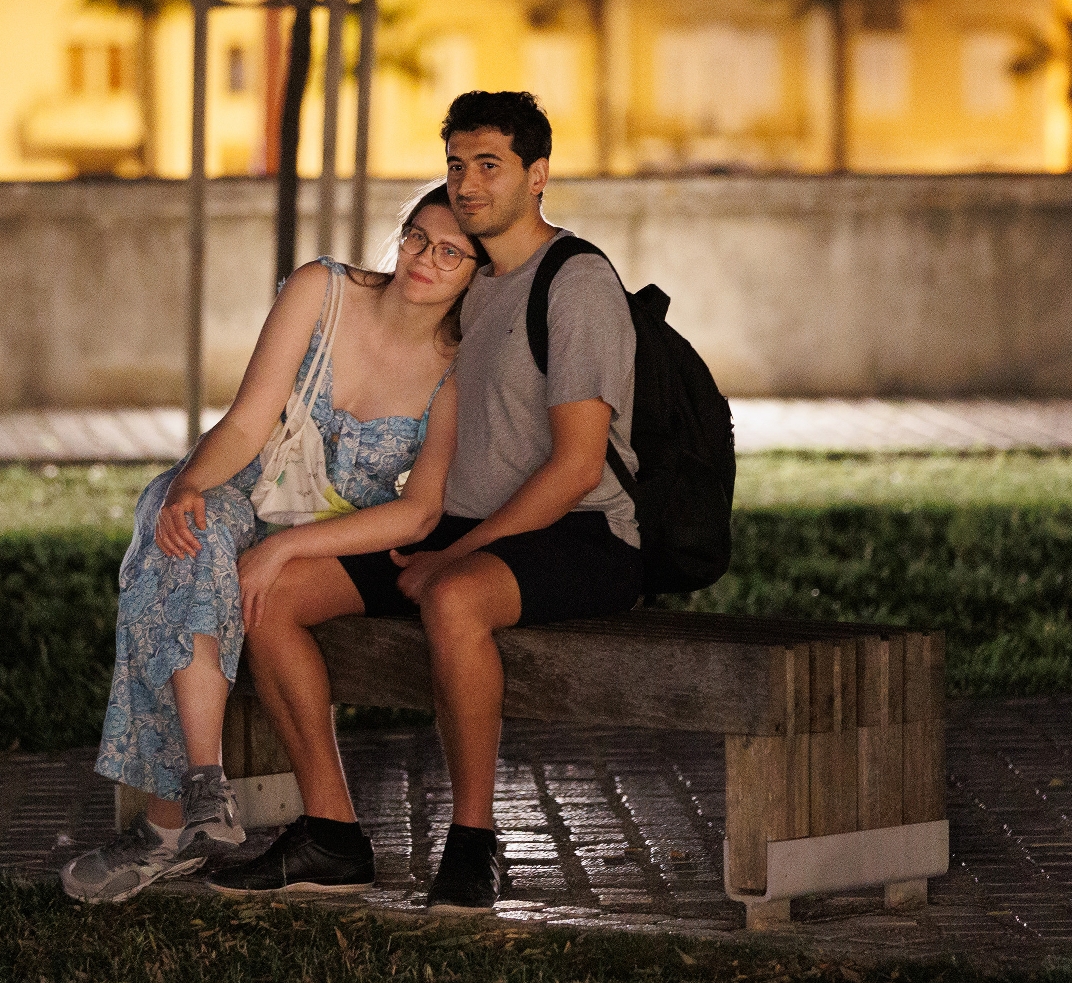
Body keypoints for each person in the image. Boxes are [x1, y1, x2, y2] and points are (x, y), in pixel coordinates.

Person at [214, 91, 642, 913]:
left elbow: (576, 467)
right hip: (462, 526)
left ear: (538, 175)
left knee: (452, 598)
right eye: (456, 165)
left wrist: (454, 555)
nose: (468, 183)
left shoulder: (577, 283)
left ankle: (473, 840)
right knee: (270, 592)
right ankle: (332, 833)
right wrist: (291, 541)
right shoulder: (468, 279)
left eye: (490, 165)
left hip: (584, 532)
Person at [59, 183, 480, 903]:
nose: (424, 259)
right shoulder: (322, 290)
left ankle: (166, 831)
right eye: (417, 237)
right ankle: (205, 784)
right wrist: (190, 484)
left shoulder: (458, 370)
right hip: (247, 485)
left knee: (191, 567)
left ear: (476, 272)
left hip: (333, 534)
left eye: (450, 253)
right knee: (181, 534)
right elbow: (249, 421)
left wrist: (285, 550)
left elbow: (417, 514)